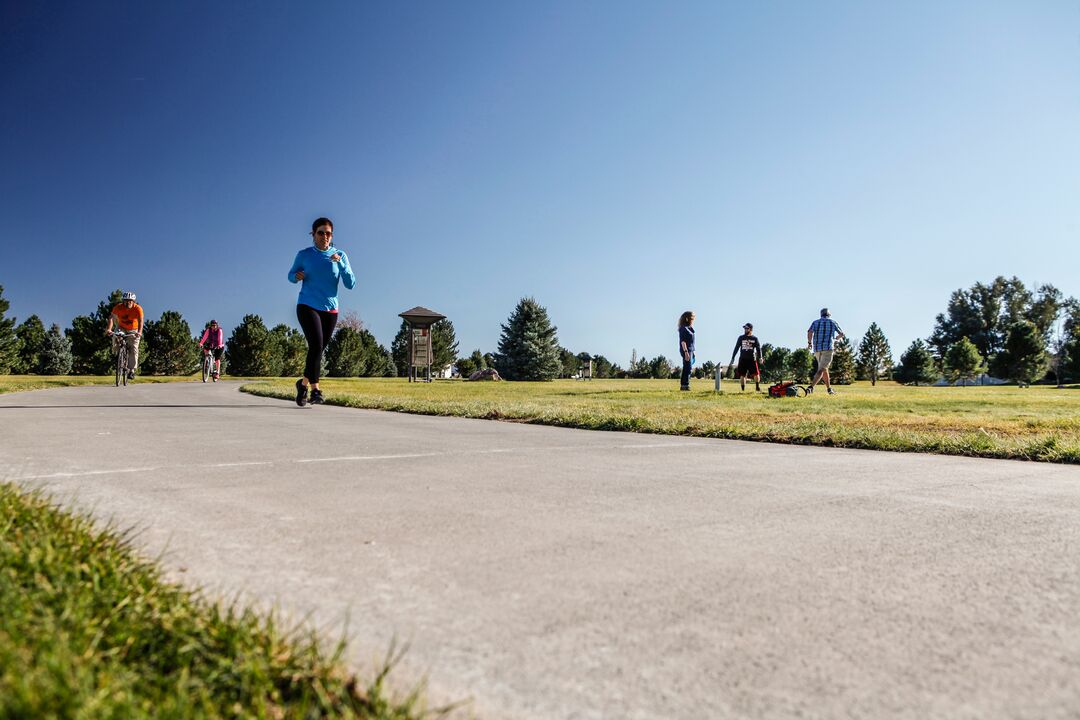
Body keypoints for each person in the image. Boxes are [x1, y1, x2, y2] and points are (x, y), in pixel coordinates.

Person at [287, 217, 356, 406]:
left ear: (332, 235)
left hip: (330, 310)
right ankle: (316, 390)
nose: (325, 236)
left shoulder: (340, 255)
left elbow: (351, 284)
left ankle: (303, 385)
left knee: (317, 350)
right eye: (320, 232)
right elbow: (290, 275)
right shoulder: (304, 255)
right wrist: (296, 276)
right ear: (313, 234)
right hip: (307, 305)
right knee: (316, 346)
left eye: (328, 233)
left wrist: (340, 263)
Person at [104, 291, 143, 379]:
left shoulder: (138, 309)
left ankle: (132, 370)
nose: (128, 302)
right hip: (121, 327)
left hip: (134, 330)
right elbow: (111, 318)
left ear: (133, 302)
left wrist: (139, 332)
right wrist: (109, 329)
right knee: (115, 335)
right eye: (126, 301)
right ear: (123, 301)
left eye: (130, 301)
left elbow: (141, 321)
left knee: (134, 348)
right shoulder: (118, 307)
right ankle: (119, 353)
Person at [807, 307, 845, 395]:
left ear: (821, 315)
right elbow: (841, 333)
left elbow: (809, 332)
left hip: (817, 349)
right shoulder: (832, 322)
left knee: (824, 368)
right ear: (829, 315)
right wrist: (837, 338)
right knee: (822, 369)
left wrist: (809, 343)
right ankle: (811, 387)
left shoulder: (815, 322)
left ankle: (829, 389)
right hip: (828, 348)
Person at [729, 322, 762, 391]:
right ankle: (743, 390)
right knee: (742, 375)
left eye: (747, 328)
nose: (745, 329)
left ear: (751, 329)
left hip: (752, 359)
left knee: (756, 374)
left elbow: (759, 349)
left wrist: (760, 357)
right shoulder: (741, 338)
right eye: (745, 328)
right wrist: (733, 358)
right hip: (743, 359)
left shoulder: (755, 338)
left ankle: (757, 387)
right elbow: (736, 348)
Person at [677, 310, 695, 391]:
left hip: (691, 350)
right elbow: (683, 341)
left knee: (688, 367)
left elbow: (692, 341)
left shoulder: (690, 328)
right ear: (687, 319)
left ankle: (684, 385)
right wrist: (686, 352)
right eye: (692, 318)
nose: (693, 320)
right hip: (686, 350)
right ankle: (685, 385)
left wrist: (693, 351)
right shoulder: (683, 328)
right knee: (688, 367)